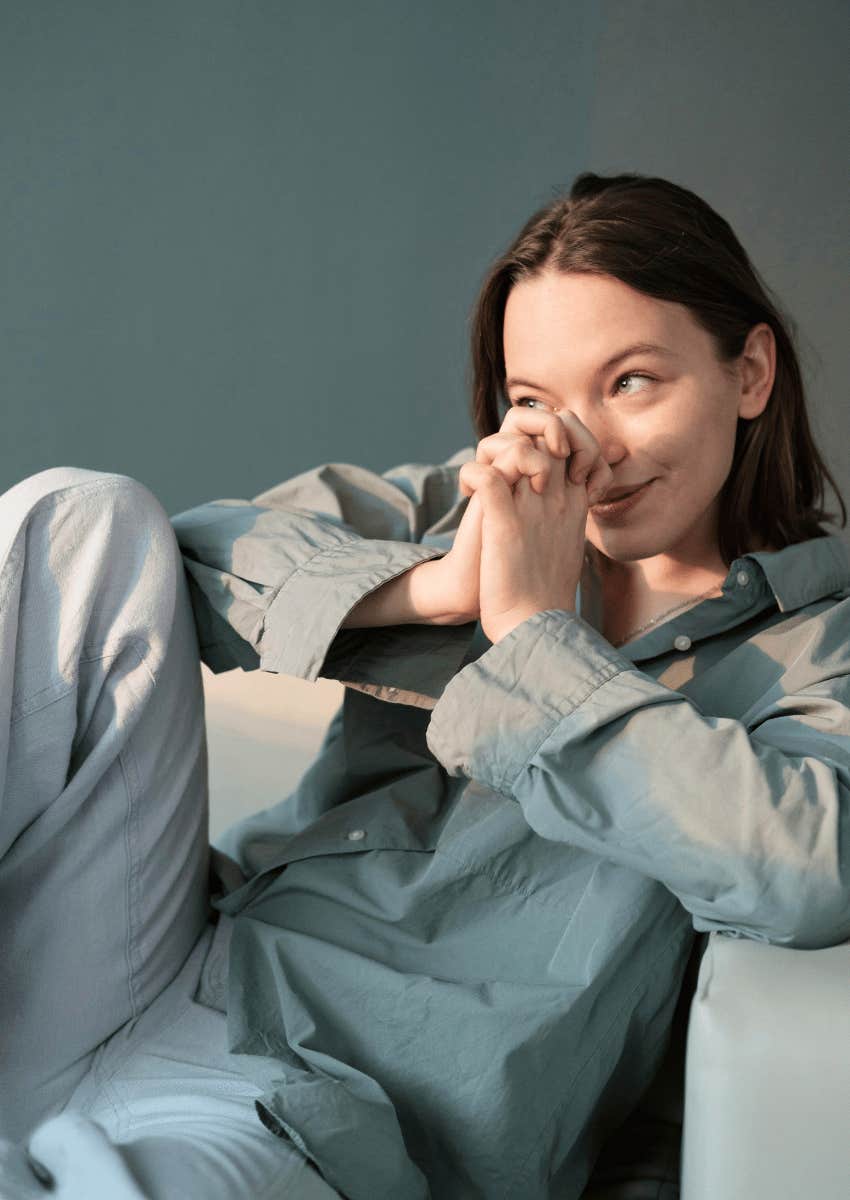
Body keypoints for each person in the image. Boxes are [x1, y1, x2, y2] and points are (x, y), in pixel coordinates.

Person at [1, 171, 848, 1200]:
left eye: (631, 382)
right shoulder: (476, 503)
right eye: (534, 399)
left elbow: (808, 867)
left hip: (316, 1107)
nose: (585, 449)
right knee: (79, 518)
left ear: (749, 372)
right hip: (150, 963)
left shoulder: (821, 646)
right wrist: (439, 588)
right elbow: (180, 556)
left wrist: (531, 634)